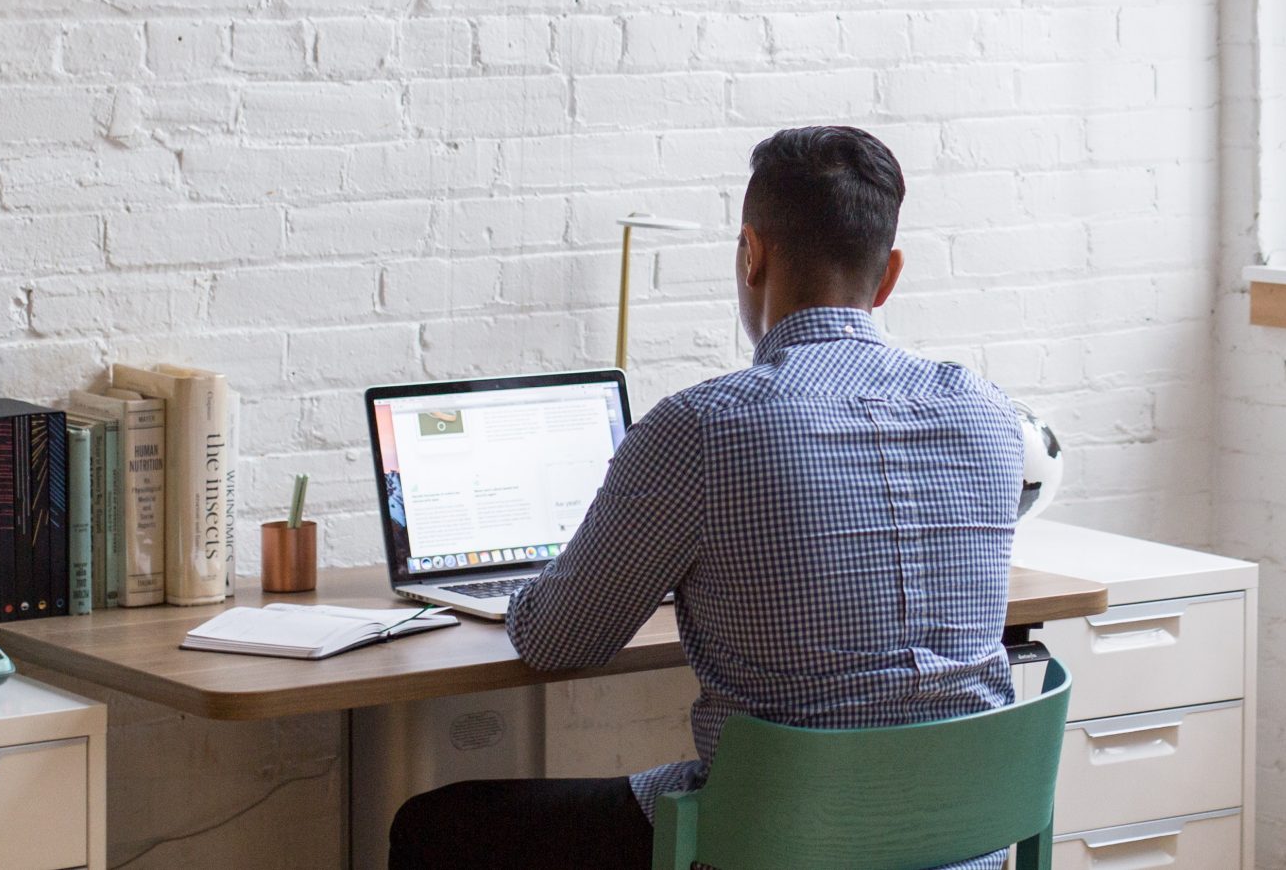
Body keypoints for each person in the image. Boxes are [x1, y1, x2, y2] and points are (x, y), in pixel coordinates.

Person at [389, 125, 1026, 870]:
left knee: (437, 827)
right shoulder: (989, 415)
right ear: (888, 277)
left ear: (751, 255)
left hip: (773, 844)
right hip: (963, 844)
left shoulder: (704, 428)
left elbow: (559, 641)